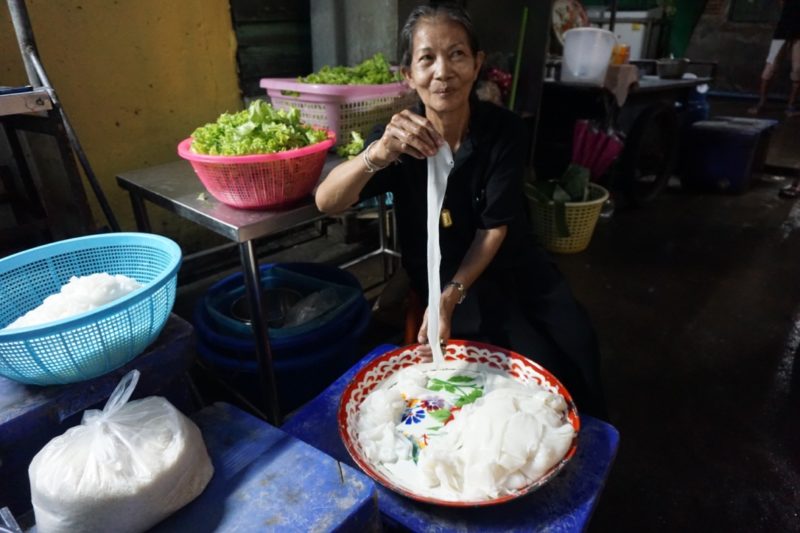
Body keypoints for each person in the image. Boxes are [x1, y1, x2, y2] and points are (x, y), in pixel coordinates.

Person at [315, 3, 607, 418]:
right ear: (408, 75)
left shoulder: (504, 131)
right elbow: (327, 201)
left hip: (514, 265)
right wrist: (376, 154)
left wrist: (452, 297)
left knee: (578, 342)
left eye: (456, 54)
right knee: (537, 366)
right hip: (443, 275)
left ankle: (592, 443)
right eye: (426, 59)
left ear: (476, 64)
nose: (442, 72)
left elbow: (494, 230)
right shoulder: (396, 141)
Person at [748, 0, 800, 117]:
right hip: (782, 32)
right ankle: (761, 104)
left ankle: (790, 107)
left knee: (798, 70)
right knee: (770, 67)